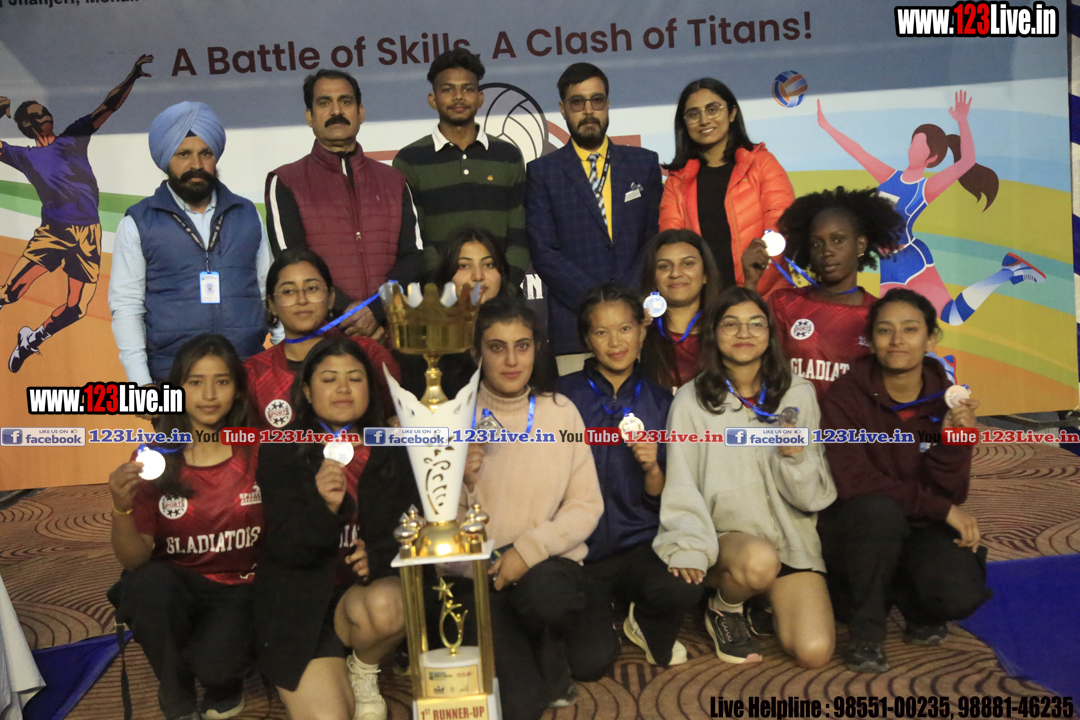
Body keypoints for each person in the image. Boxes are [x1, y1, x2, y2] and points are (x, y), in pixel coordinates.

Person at [653, 286, 836, 668]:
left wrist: (793, 459)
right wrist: (690, 548)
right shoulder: (690, 400)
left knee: (815, 651)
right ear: (713, 333)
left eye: (755, 324)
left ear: (770, 333)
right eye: (730, 324)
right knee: (758, 561)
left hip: (790, 541)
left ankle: (762, 600)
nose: (744, 333)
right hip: (731, 544)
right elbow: (681, 486)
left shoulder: (798, 393)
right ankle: (726, 606)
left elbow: (813, 496)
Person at [818, 288, 991, 673]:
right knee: (877, 511)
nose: (897, 340)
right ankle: (867, 631)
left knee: (958, 594)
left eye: (910, 329)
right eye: (885, 330)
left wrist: (955, 442)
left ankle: (912, 601)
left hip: (918, 528)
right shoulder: (845, 395)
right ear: (871, 339)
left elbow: (950, 491)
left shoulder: (948, 400)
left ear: (931, 339)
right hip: (860, 529)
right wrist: (941, 509)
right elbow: (854, 482)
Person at [454, 294, 607, 720]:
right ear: (476, 353)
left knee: (592, 659)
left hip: (548, 569)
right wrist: (461, 483)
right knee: (521, 706)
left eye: (521, 346)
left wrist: (528, 551)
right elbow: (437, 528)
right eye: (496, 347)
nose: (511, 360)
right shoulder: (452, 419)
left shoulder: (561, 412)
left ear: (536, 349)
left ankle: (550, 642)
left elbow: (585, 504)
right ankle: (529, 652)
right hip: (484, 577)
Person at [254, 337, 419, 720]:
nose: (343, 388)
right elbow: (284, 549)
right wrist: (324, 508)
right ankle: (327, 667)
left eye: (355, 378)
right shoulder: (282, 449)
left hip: (363, 597)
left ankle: (364, 668)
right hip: (298, 607)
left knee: (392, 604)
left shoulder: (394, 446)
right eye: (329, 379)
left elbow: (415, 527)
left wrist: (378, 556)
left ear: (370, 388)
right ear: (307, 392)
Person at [107, 334, 261, 720]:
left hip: (241, 588)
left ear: (237, 390)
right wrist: (121, 508)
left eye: (221, 381)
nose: (209, 394)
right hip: (177, 588)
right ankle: (175, 691)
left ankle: (223, 679)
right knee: (145, 583)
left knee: (216, 667)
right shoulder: (153, 458)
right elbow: (134, 559)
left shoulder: (258, 448)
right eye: (195, 382)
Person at [556, 283, 702, 667]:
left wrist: (652, 468)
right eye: (601, 332)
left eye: (624, 328)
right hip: (581, 549)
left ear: (641, 330)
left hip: (641, 545)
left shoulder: (663, 402)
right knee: (590, 664)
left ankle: (643, 618)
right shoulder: (561, 398)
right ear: (587, 340)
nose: (615, 342)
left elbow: (665, 496)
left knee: (687, 581)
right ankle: (598, 612)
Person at [817, 92, 1044, 326]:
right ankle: (1009, 272)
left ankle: (1009, 271)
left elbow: (967, 161)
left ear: (932, 157)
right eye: (912, 144)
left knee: (951, 316)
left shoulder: (924, 188)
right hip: (888, 262)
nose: (912, 149)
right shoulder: (889, 177)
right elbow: (858, 151)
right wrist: (827, 127)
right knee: (888, 321)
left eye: (918, 146)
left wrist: (962, 120)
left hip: (910, 258)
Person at [0, 54, 153, 372]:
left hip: (89, 234)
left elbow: (107, 106)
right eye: (38, 113)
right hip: (53, 233)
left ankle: (31, 340)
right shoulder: (24, 156)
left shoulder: (72, 137)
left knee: (77, 308)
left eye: (45, 110)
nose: (46, 114)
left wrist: (133, 75)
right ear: (27, 125)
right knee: (10, 292)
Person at [109, 101, 272, 386]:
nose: (196, 165)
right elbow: (127, 308)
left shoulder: (247, 215)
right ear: (166, 159)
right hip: (173, 377)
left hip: (247, 374)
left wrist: (286, 363)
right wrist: (142, 384)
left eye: (205, 153)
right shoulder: (139, 222)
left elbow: (270, 294)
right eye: (183, 154)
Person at [265, 69, 424, 338]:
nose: (336, 111)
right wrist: (350, 313)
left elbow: (414, 258)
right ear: (309, 116)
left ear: (360, 113)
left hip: (391, 336)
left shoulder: (394, 181)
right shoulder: (286, 181)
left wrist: (377, 309)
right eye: (324, 103)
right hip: (322, 340)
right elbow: (290, 261)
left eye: (345, 101)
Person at [526, 62, 662, 367]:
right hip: (575, 326)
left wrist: (627, 304)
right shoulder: (542, 173)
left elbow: (654, 240)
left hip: (638, 324)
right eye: (577, 102)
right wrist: (597, 306)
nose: (588, 111)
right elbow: (544, 252)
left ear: (608, 104)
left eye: (596, 100)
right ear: (563, 109)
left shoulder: (643, 164)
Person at [392, 49, 529, 286]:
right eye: (448, 89)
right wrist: (447, 292)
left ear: (480, 98)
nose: (458, 97)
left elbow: (519, 236)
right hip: (439, 299)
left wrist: (503, 289)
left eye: (467, 89)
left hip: (502, 297)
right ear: (433, 99)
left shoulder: (507, 156)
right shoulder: (409, 160)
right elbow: (416, 242)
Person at [760, 187, 903, 398]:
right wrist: (751, 282)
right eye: (817, 243)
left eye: (838, 240)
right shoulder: (784, 303)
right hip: (793, 418)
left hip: (852, 420)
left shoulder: (880, 314)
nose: (827, 251)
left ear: (860, 245)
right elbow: (759, 368)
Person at [659, 78, 794, 296]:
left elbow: (781, 230)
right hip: (707, 304)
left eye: (712, 109)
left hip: (765, 298)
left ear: (732, 113)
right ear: (684, 123)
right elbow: (671, 248)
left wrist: (749, 294)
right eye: (693, 114)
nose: (704, 120)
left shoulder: (762, 164)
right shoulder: (677, 181)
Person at [244, 248, 400, 430]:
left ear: (331, 298)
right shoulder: (254, 372)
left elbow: (393, 419)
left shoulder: (369, 353)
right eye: (288, 291)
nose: (302, 300)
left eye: (312, 288)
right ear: (271, 304)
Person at [397, 227, 529, 400]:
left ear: (502, 272)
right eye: (464, 266)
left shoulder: (525, 329)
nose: (478, 276)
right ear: (447, 275)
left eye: (489, 265)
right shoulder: (425, 343)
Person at [638, 229, 724, 392]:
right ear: (653, 277)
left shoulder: (725, 332)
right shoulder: (638, 332)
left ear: (705, 274)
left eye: (687, 263)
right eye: (664, 266)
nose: (675, 273)